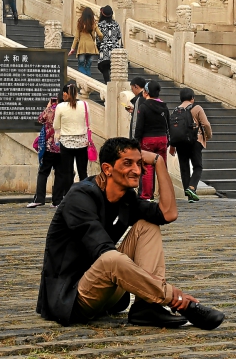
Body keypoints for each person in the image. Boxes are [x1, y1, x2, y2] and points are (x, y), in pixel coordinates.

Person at [36, 137, 225, 329]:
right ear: (107, 169)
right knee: (112, 259)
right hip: (73, 297)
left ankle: (147, 307)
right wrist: (170, 293)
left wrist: (159, 162)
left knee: (147, 226)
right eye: (128, 163)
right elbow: (103, 252)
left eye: (139, 163)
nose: (137, 170)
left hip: (106, 291)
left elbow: (168, 213)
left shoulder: (126, 198)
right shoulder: (80, 198)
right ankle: (177, 301)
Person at [169, 88, 212, 202]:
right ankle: (192, 188)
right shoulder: (197, 108)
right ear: (192, 98)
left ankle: (189, 196)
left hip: (180, 142)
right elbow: (206, 124)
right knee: (197, 166)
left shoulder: (175, 111)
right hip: (194, 141)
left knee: (184, 168)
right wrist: (208, 135)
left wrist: (172, 146)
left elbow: (173, 130)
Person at [52, 83, 91, 206]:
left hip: (66, 142)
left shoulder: (61, 107)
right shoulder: (84, 105)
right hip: (82, 141)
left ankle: (69, 198)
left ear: (66, 93)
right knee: (82, 172)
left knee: (67, 172)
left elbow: (56, 125)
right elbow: (88, 122)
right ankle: (86, 197)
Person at [134, 80, 170, 201]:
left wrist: (136, 141)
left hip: (148, 140)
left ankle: (147, 196)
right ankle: (165, 194)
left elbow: (139, 126)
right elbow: (168, 125)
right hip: (162, 139)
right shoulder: (164, 107)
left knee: (148, 168)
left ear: (146, 92)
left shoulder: (143, 107)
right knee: (162, 168)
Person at [28, 94, 62, 208]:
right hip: (61, 147)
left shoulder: (50, 110)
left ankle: (39, 198)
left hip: (48, 147)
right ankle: (57, 201)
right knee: (59, 174)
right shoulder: (64, 110)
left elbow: (40, 119)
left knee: (43, 172)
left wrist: (48, 106)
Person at [69, 7, 101, 76]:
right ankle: (88, 80)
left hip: (82, 47)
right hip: (91, 47)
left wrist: (72, 48)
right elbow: (100, 35)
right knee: (88, 67)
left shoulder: (80, 23)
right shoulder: (94, 23)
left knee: (81, 65)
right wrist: (99, 40)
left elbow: (76, 37)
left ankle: (85, 79)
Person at [96, 5, 122, 84]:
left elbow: (98, 38)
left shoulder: (100, 24)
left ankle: (108, 83)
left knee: (105, 68)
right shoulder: (116, 24)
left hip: (104, 49)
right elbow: (119, 36)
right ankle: (114, 84)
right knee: (114, 68)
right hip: (115, 49)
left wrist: (99, 46)